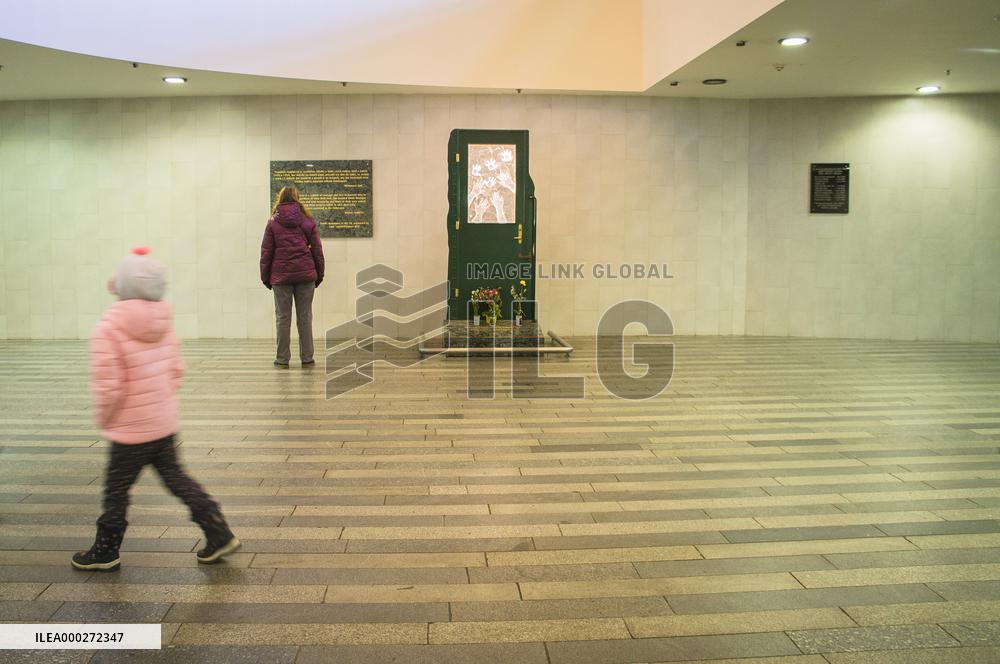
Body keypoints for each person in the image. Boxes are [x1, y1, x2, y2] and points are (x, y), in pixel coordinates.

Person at [72, 248, 240, 572]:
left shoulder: (108, 328)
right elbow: (176, 370)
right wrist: (161, 404)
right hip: (162, 424)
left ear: (121, 286)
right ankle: (217, 530)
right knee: (177, 479)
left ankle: (105, 550)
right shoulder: (164, 323)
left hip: (129, 430)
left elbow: (109, 386)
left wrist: (105, 419)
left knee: (116, 491)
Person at [260, 186, 325, 367]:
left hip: (281, 278)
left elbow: (266, 252)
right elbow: (317, 251)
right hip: (306, 276)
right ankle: (307, 357)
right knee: (305, 317)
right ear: (297, 199)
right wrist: (319, 274)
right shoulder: (307, 222)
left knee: (282, 318)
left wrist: (266, 277)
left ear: (280, 199)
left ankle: (282, 359)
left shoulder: (272, 223)